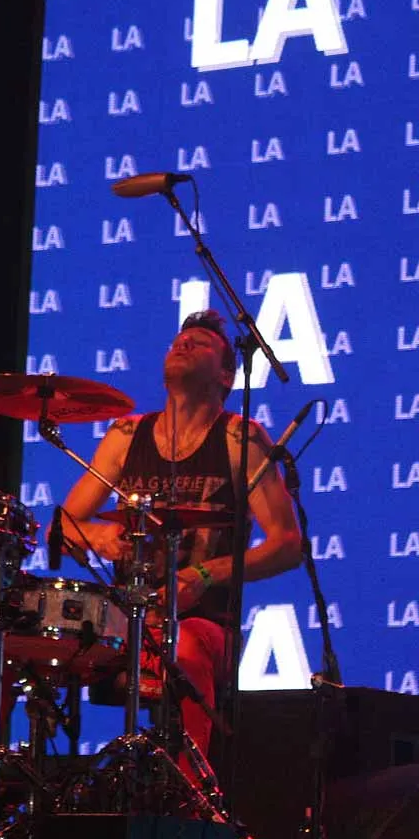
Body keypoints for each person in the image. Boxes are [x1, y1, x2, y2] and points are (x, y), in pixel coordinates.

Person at [56, 310, 302, 764]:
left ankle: (191, 787)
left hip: (208, 627)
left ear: (226, 375)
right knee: (27, 645)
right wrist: (99, 536)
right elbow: (65, 525)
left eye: (200, 343)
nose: (183, 344)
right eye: (178, 340)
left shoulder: (240, 437)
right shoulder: (127, 434)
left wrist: (205, 574)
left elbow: (288, 544)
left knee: (184, 643)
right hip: (126, 625)